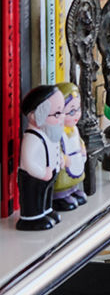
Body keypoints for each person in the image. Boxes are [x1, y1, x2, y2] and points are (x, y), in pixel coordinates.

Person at [18, 84, 65, 230]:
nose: (62, 118)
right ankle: (31, 218)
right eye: (57, 114)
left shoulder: (50, 132)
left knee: (46, 194)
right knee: (34, 198)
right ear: (38, 115)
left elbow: (54, 149)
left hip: (49, 174)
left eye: (62, 112)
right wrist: (41, 173)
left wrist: (61, 159)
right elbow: (28, 161)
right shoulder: (32, 138)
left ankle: (46, 210)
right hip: (34, 177)